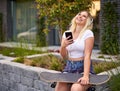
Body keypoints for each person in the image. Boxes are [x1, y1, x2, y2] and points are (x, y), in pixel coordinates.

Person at [55, 10, 95, 91]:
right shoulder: (67, 33)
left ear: (87, 21)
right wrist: (63, 46)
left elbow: (87, 55)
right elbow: (64, 56)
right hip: (69, 66)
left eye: (84, 16)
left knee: (75, 88)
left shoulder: (88, 33)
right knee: (59, 88)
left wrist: (86, 76)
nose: (80, 16)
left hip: (82, 67)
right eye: (79, 14)